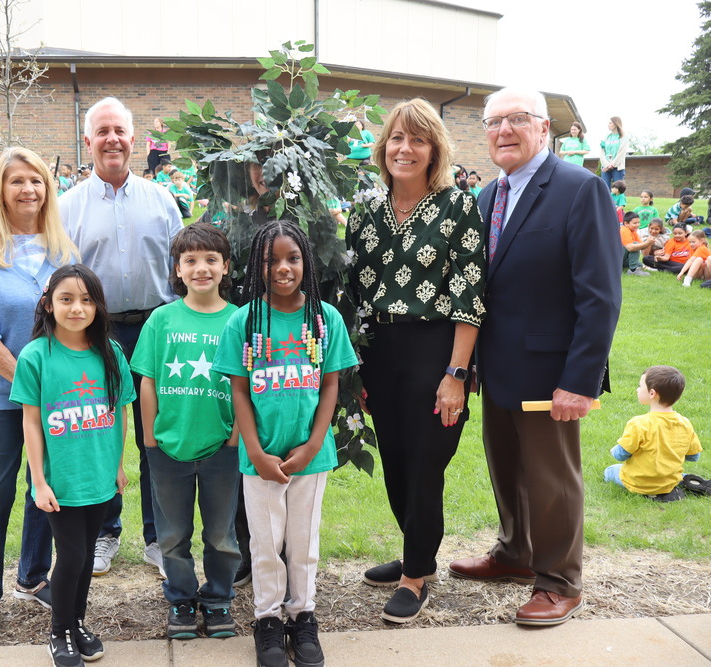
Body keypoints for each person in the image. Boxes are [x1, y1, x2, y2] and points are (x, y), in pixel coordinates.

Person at [449, 88, 621, 627]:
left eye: (516, 120)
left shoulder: (579, 189)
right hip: (498, 367)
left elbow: (600, 295)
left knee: (551, 479)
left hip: (551, 372)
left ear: (544, 128)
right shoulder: (486, 197)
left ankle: (559, 581)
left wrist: (581, 380)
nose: (503, 131)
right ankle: (515, 554)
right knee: (507, 467)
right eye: (493, 122)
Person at [345, 98, 486, 624]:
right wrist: (355, 370)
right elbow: (355, 296)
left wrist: (455, 374)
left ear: (434, 150)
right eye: (398, 139)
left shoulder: (457, 207)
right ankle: (414, 550)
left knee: (427, 462)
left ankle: (416, 575)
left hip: (436, 350)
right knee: (398, 462)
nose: (406, 149)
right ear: (384, 148)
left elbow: (471, 296)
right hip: (380, 351)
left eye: (418, 140)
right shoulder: (364, 211)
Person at [212, 219, 357, 667]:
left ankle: (302, 615)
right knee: (265, 541)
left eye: (292, 258)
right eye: (271, 260)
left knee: (302, 541)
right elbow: (238, 389)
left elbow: (331, 385)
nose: (282, 267)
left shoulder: (324, 318)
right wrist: (254, 450)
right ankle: (268, 620)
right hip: (261, 458)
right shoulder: (245, 320)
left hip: (309, 458)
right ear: (257, 266)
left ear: (306, 263)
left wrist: (314, 445)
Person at [0, 146, 79, 643]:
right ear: (0, 191)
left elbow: (77, 317)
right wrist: (30, 382)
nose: (28, 189)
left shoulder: (63, 251)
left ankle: (33, 574)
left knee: (42, 489)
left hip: (57, 395)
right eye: (16, 181)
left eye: (37, 180)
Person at [59, 96, 183, 577]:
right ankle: (105, 533)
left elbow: (181, 267)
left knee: (155, 436)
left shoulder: (162, 200)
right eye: (102, 131)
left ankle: (158, 535)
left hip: (156, 328)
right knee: (101, 432)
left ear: (134, 140)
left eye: (120, 131)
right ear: (88, 142)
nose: (112, 139)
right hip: (97, 332)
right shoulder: (68, 206)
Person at [10, 264, 134, 667]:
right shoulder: (36, 356)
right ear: (48, 304)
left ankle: (76, 623)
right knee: (71, 557)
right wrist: (39, 481)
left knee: (82, 560)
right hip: (60, 481)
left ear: (98, 306)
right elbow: (31, 420)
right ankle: (59, 631)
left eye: (86, 299)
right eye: (66, 299)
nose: (76, 308)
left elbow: (120, 411)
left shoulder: (111, 353)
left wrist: (117, 465)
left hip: (98, 475)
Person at [131, 222, 240, 640]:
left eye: (211, 260)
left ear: (225, 266)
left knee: (222, 535)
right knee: (172, 536)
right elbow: (148, 381)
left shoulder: (238, 320)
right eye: (190, 260)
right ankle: (180, 597)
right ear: (177, 268)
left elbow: (244, 386)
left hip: (221, 447)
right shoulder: (161, 320)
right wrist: (150, 441)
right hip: (168, 448)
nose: (201, 269)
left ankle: (217, 599)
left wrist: (234, 440)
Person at [604, 366, 701, 502]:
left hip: (639, 482)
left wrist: (613, 449)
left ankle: (650, 489)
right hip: (668, 482)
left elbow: (620, 454)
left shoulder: (639, 423)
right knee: (676, 474)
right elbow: (694, 456)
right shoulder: (684, 423)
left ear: (652, 393)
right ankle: (685, 482)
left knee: (610, 470)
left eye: (639, 386)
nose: (637, 389)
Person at [599, 116, 628, 190]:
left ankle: (617, 202)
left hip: (617, 167)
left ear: (616, 124)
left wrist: (612, 164)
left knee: (618, 189)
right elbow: (602, 152)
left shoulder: (623, 137)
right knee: (605, 189)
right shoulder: (605, 137)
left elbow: (621, 153)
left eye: (610, 123)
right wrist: (607, 165)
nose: (608, 125)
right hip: (605, 167)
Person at [620, 211, 653, 276]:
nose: (638, 225)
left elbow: (641, 246)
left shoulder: (633, 231)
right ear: (626, 223)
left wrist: (648, 242)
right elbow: (630, 248)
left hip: (621, 257)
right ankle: (633, 270)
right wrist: (647, 243)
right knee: (635, 244)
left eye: (638, 222)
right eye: (635, 223)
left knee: (639, 264)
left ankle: (629, 267)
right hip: (614, 258)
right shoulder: (624, 230)